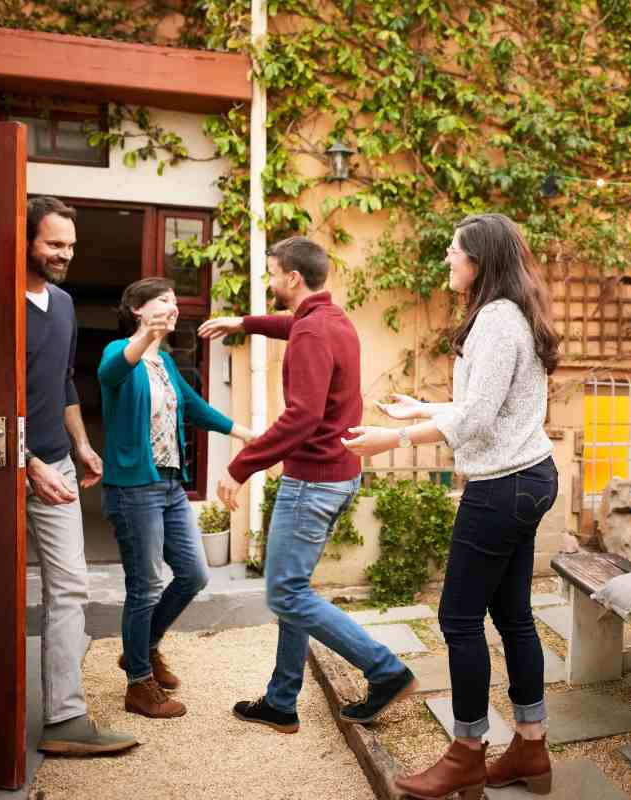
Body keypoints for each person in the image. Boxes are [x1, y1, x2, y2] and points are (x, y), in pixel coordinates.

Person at [343, 213, 560, 799]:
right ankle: (530, 747)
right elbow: (493, 401)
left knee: (459, 618)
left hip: (501, 487)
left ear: (479, 261)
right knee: (512, 615)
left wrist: (391, 439)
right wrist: (423, 409)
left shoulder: (495, 319)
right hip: (529, 476)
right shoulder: (516, 313)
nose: (447, 258)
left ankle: (466, 752)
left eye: (453, 250)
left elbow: (479, 419)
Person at [198, 236, 415, 735]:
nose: (270, 281)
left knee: (286, 594)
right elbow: (294, 325)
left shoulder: (312, 332)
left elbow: (301, 417)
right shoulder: (330, 320)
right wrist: (245, 323)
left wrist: (240, 466)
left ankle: (385, 670)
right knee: (294, 589)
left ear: (293, 278)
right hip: (337, 476)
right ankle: (281, 701)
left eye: (272, 273)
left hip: (311, 482)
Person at [98, 277, 255, 718]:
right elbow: (113, 372)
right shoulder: (119, 354)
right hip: (133, 490)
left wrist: (249, 437)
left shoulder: (165, 364)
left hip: (169, 486)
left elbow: (196, 408)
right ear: (138, 311)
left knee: (193, 574)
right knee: (145, 584)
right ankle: (138, 684)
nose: (173, 308)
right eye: (162, 302)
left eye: (173, 302)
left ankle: (141, 650)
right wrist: (147, 334)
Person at [24, 196, 137, 755]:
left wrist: (82, 446)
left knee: (69, 587)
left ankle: (65, 719)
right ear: (23, 241)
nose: (64, 255)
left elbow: (64, 382)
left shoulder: (64, 305)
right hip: (2, 464)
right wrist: (26, 461)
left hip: (58, 463)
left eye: (70, 245)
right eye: (53, 244)